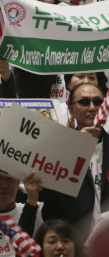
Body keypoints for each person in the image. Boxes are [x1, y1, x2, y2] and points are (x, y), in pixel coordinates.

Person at [40, 83, 109, 237]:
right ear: (71, 110)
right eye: (84, 102)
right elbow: (50, 205)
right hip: (72, 243)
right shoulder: (58, 150)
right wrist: (76, 148)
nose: (92, 107)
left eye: (98, 102)